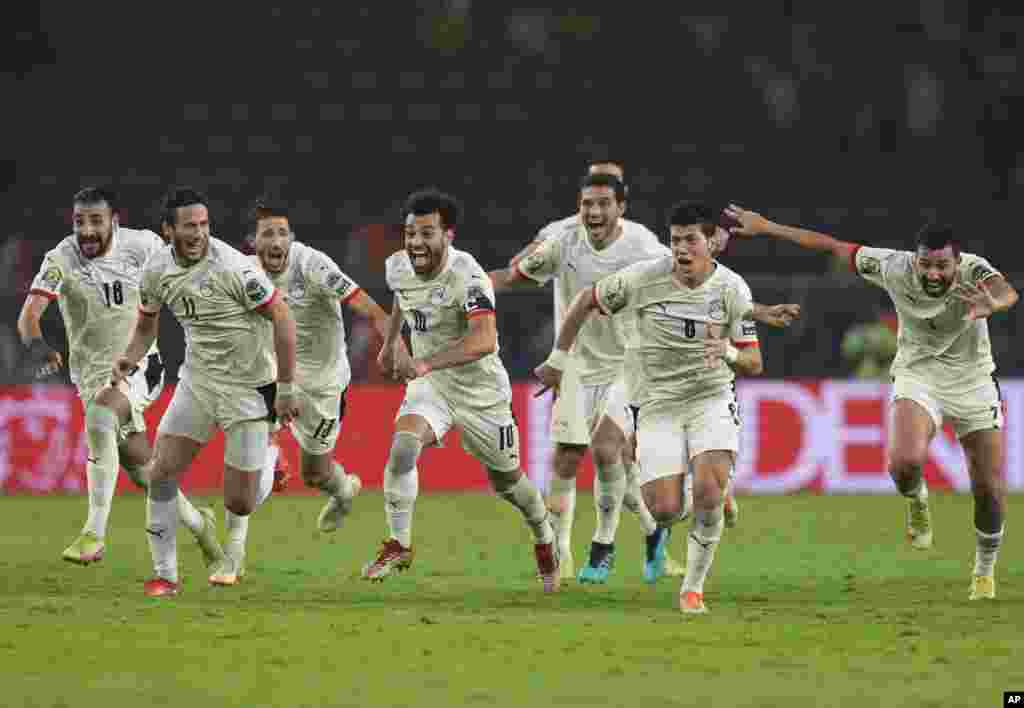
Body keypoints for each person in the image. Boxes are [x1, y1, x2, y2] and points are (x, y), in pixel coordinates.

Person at [725, 205, 1017, 601]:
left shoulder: (974, 270)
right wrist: (767, 227)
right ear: (915, 258)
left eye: (942, 267)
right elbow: (830, 245)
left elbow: (1005, 291)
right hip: (919, 374)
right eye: (925, 265)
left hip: (974, 380)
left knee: (988, 488)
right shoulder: (892, 266)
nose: (933, 274)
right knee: (904, 463)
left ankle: (984, 571)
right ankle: (917, 501)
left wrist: (992, 305)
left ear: (957, 261)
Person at [536, 201, 765, 613]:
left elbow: (754, 361)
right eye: (675, 240)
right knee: (664, 511)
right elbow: (586, 301)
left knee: (708, 491)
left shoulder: (733, 290)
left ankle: (692, 589)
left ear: (711, 242)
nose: (681, 249)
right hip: (656, 402)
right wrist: (558, 359)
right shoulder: (643, 279)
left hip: (710, 399)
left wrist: (728, 351)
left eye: (691, 240)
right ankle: (707, 491)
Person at [16, 186, 223, 567]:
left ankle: (93, 533)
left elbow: (186, 267)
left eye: (96, 221)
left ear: (115, 221)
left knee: (100, 416)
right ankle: (199, 525)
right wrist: (38, 347)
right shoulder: (61, 257)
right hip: (93, 379)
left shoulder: (142, 246)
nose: (88, 230)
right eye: (80, 221)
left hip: (141, 365)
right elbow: (28, 316)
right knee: (147, 473)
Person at [368, 188, 560, 591]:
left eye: (426, 233)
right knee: (403, 447)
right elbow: (403, 300)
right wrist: (390, 345)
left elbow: (484, 340)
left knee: (508, 482)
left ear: (447, 236)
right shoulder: (397, 266)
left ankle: (543, 533)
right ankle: (399, 544)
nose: (416, 243)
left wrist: (424, 361)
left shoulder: (469, 277)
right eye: (410, 234)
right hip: (432, 387)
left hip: (481, 394)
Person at [112, 187, 299, 597]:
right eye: (189, 226)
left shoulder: (233, 266)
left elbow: (282, 316)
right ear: (169, 230)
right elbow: (146, 324)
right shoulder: (157, 269)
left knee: (240, 503)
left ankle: (270, 456)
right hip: (198, 381)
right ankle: (165, 575)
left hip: (249, 388)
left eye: (203, 224)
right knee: (160, 473)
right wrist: (129, 357)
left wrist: (286, 387)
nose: (198, 233)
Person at [249, 199, 399, 530]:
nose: (276, 241)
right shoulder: (245, 272)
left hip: (324, 382)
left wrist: (391, 338)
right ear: (253, 242)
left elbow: (362, 302)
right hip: (275, 373)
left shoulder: (311, 263)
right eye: (267, 234)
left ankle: (344, 491)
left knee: (315, 474)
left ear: (291, 238)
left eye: (282, 234)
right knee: (249, 422)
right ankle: (270, 447)